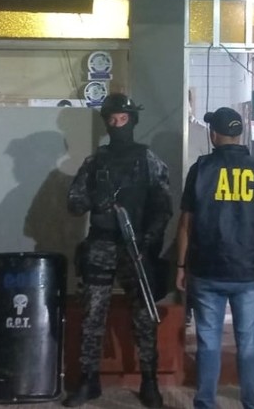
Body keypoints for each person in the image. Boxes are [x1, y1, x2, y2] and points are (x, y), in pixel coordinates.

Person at [63, 93, 173, 408]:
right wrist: (93, 199)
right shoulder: (95, 162)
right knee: (92, 315)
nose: (117, 124)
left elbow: (163, 206)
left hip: (136, 248)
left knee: (143, 316)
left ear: (132, 121)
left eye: (123, 118)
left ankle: (149, 381)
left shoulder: (147, 159)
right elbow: (74, 203)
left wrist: (149, 239)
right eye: (112, 119)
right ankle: (88, 380)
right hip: (100, 244)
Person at [176, 107, 254, 409]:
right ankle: (252, 404)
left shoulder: (200, 169)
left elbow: (186, 224)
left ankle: (205, 403)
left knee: (208, 341)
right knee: (248, 341)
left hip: (206, 269)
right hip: (248, 270)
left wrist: (181, 265)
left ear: (213, 134)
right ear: (239, 133)